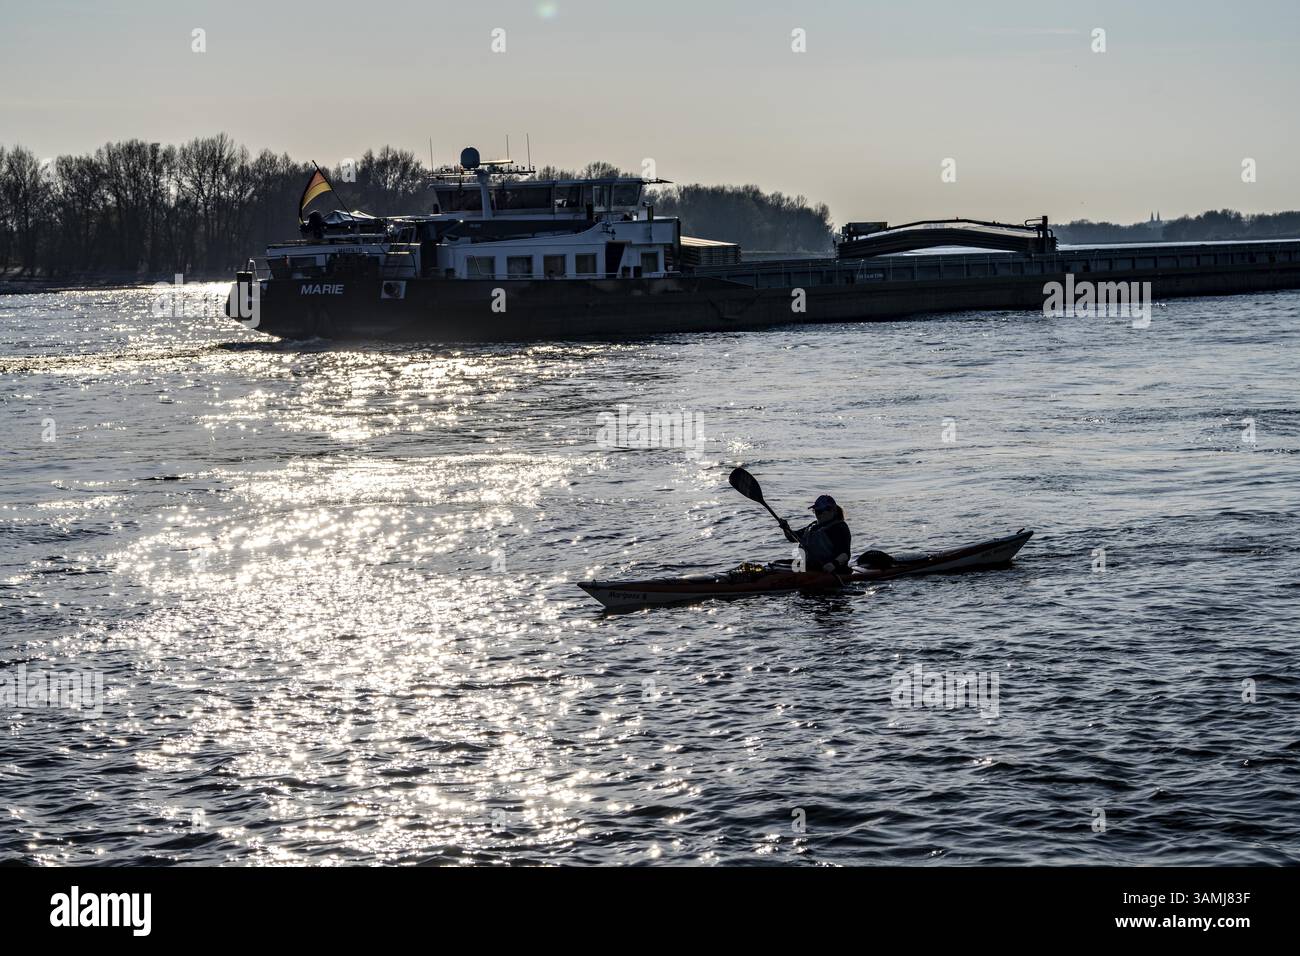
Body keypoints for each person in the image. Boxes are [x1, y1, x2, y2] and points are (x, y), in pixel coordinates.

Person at [779, 495, 852, 574]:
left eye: (820, 511)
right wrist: (786, 528)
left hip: (832, 570)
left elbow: (845, 554)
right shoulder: (813, 527)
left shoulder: (840, 528)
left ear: (832, 510)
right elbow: (792, 537)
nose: (817, 515)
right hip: (811, 567)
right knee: (778, 562)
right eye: (816, 511)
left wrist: (833, 564)